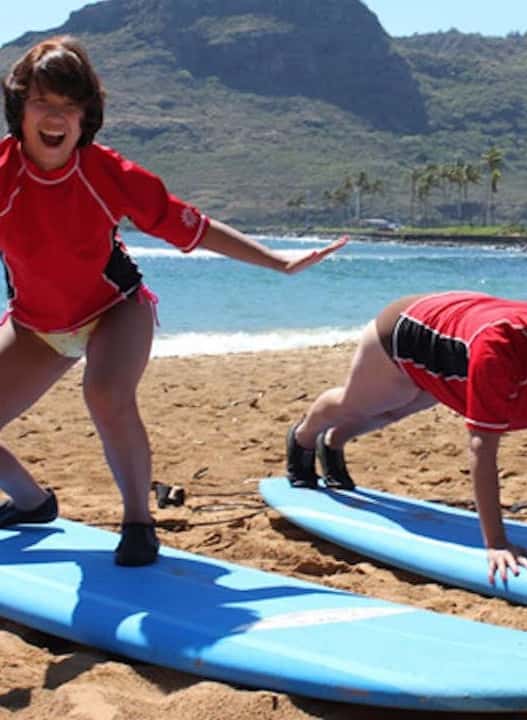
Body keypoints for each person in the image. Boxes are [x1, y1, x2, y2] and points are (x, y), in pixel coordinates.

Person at [0, 36, 347, 566]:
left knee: (106, 394)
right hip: (36, 324)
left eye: (69, 105)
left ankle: (138, 522)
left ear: (86, 116)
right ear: (19, 107)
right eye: (42, 102)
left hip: (115, 309)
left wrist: (278, 262)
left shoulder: (107, 173)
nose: (55, 117)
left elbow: (194, 227)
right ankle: (33, 502)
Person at [286, 290, 527, 584]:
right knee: (367, 404)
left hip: (457, 341)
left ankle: (332, 443)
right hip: (408, 330)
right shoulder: (500, 353)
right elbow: (482, 450)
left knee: (396, 410)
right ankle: (304, 438)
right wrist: (496, 543)